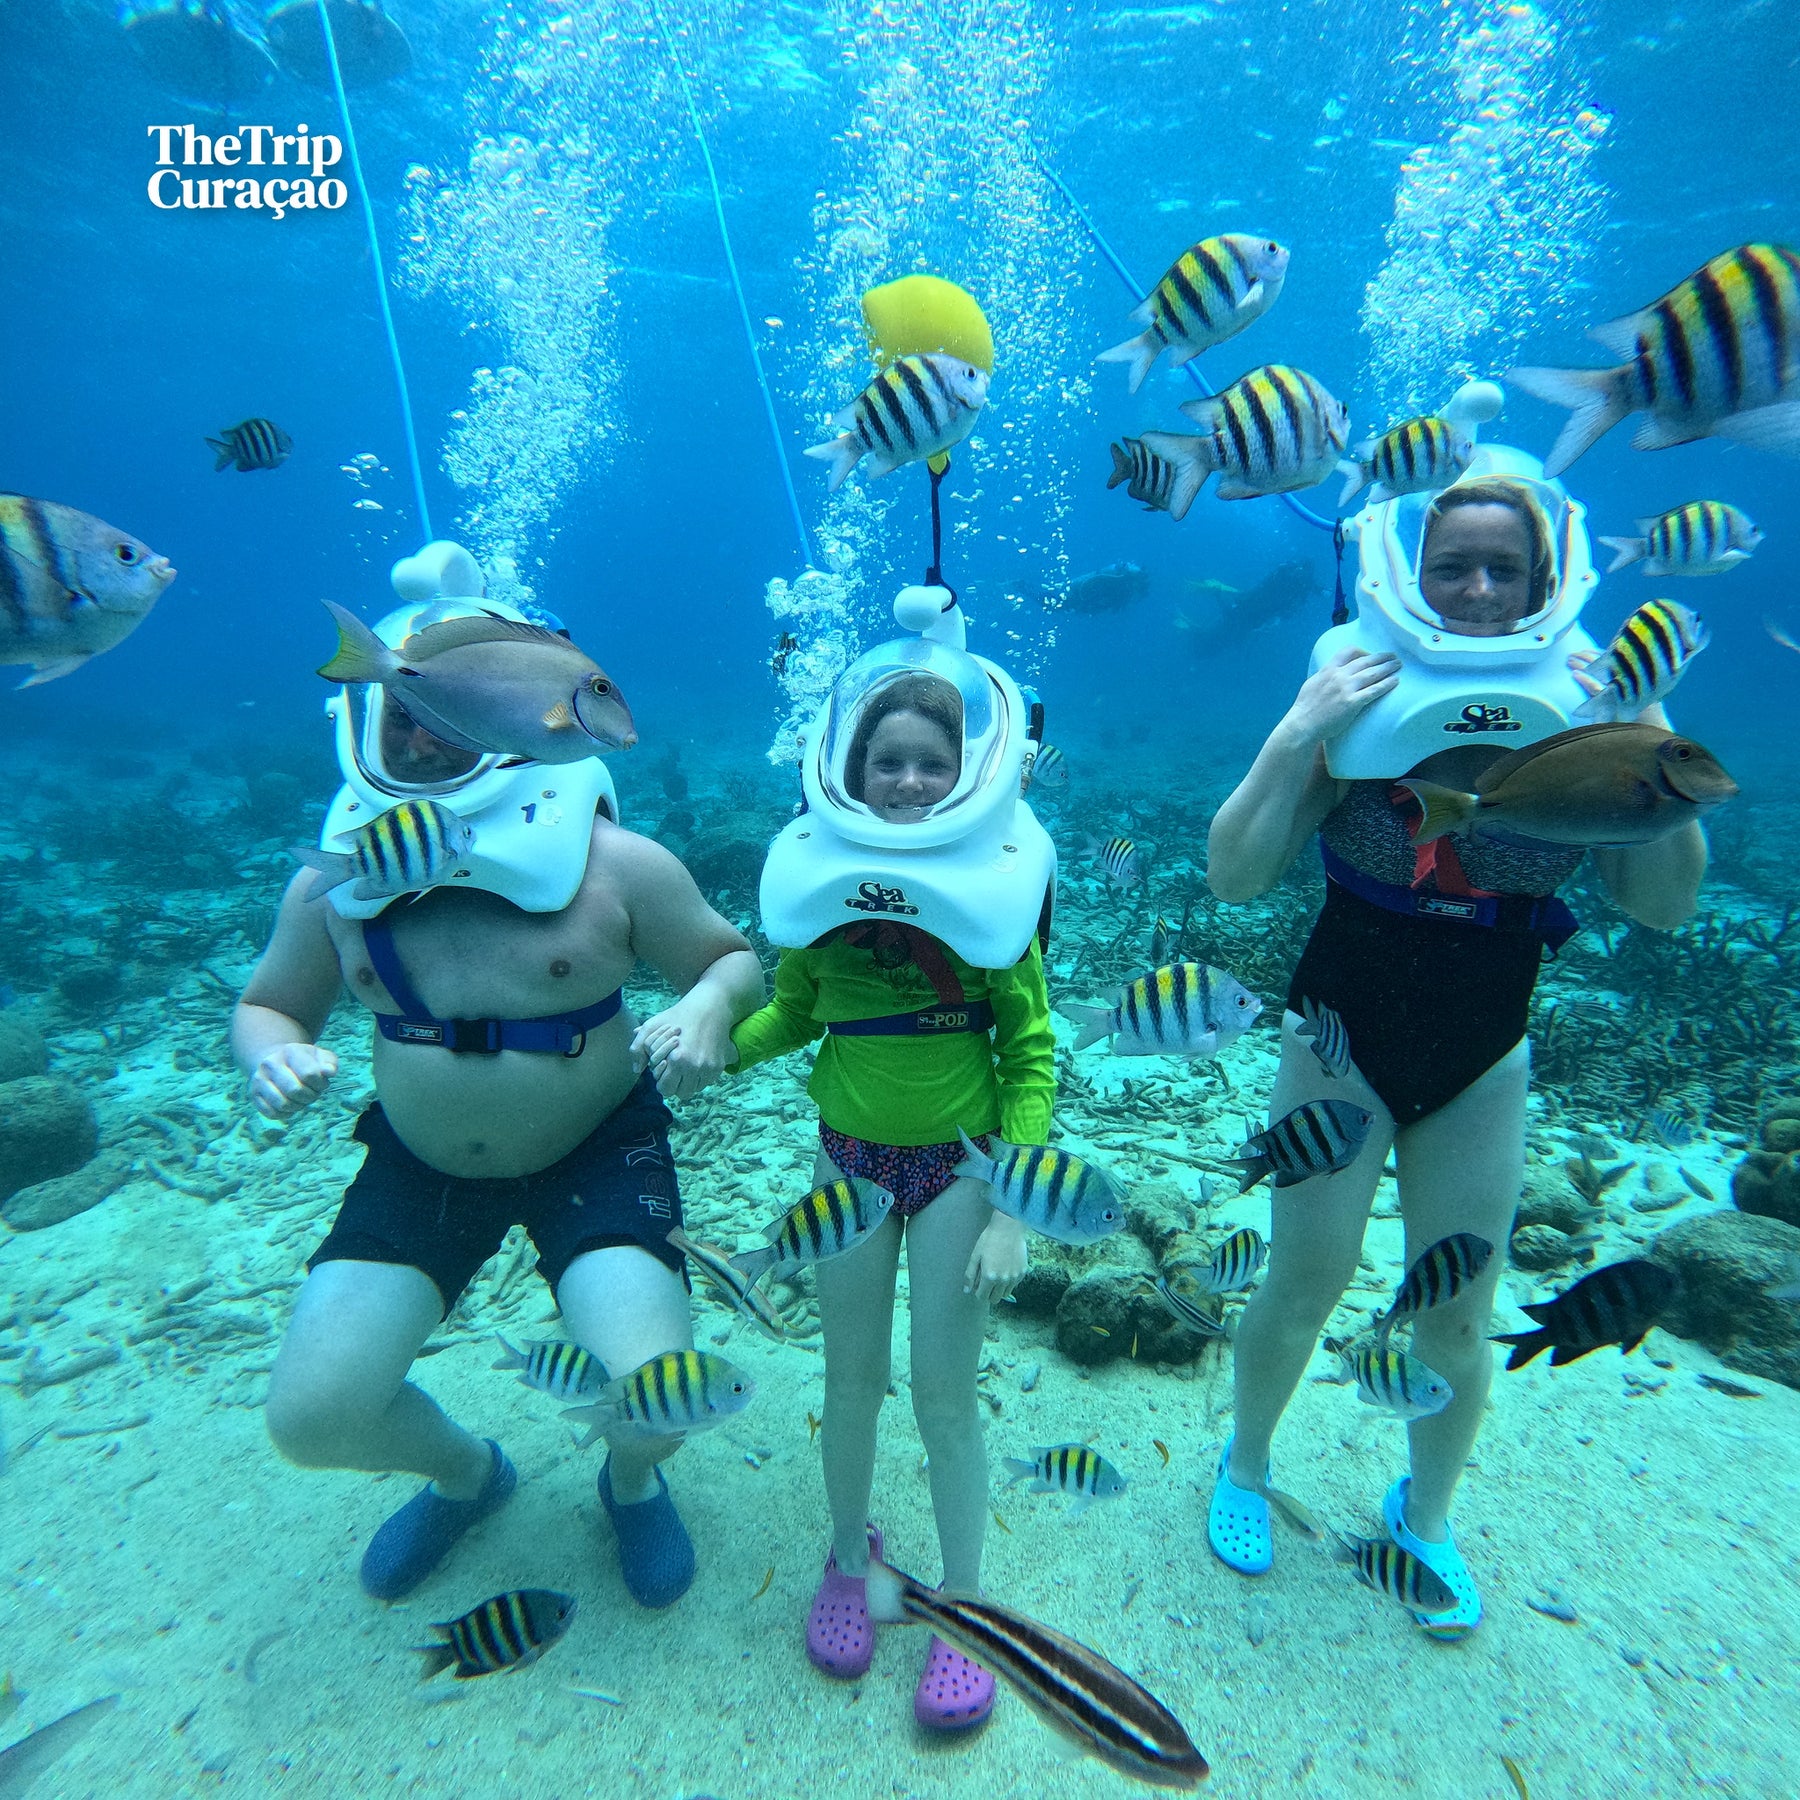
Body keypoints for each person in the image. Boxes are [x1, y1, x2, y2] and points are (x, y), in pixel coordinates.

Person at [1203, 467, 1706, 1638]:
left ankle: (1424, 1516)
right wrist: (1298, 732)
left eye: (1505, 569)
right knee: (1305, 1279)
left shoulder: (1592, 716)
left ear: (1546, 581)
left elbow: (1666, 906)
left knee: (1460, 1316)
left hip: (1486, 1047)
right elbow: (1235, 876)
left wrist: (1650, 732)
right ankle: (1247, 1463)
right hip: (1340, 1030)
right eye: (1452, 567)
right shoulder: (1364, 694)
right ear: (1410, 577)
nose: (1479, 590)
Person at [233, 551, 762, 1610]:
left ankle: (627, 1480)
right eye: (404, 714)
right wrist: (270, 1055)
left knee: (658, 1400)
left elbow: (728, 959)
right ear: (364, 721)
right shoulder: (333, 884)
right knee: (312, 1418)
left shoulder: (619, 864)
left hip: (595, 1147)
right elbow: (269, 1005)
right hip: (420, 1159)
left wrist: (706, 1007)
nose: (427, 735)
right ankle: (470, 1475)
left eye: (454, 718)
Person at [641, 623, 1054, 1730]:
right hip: (848, 1161)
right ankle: (843, 1556)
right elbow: (794, 1013)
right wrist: (716, 1042)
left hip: (962, 1172)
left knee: (943, 1394)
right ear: (851, 772)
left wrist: (1014, 1203)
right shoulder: (827, 893)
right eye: (888, 762)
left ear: (967, 772)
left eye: (932, 762)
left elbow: (1030, 1056)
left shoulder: (993, 900)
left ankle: (965, 1602)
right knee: (850, 1381)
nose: (910, 780)